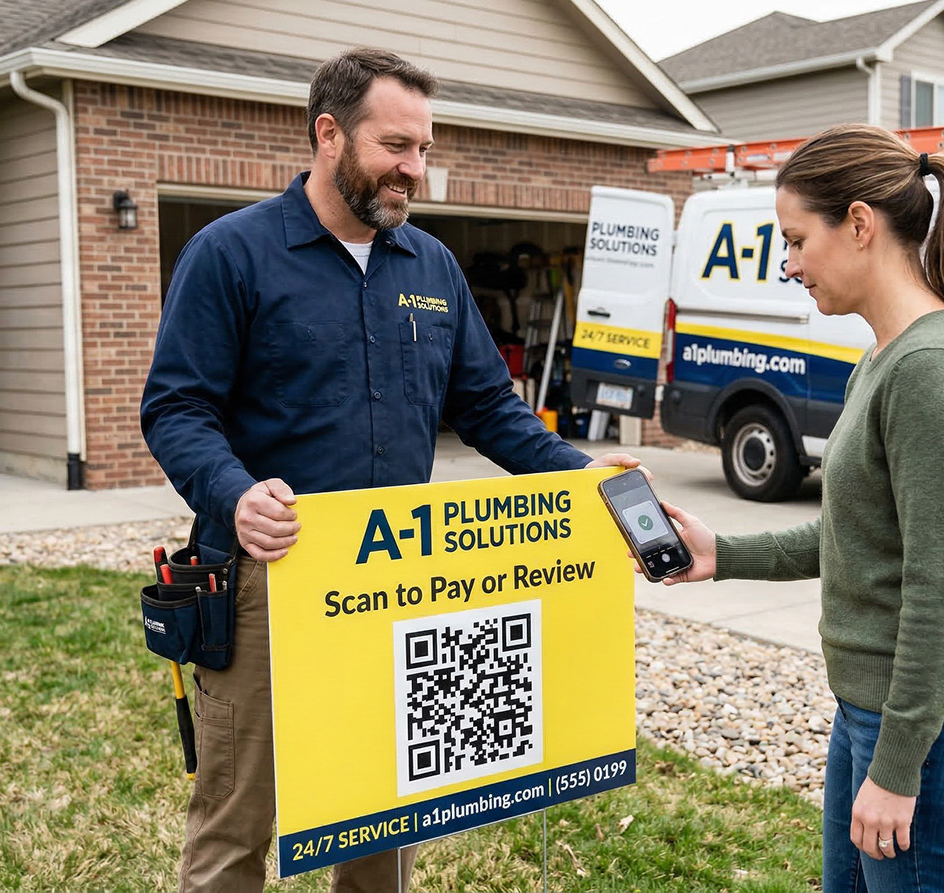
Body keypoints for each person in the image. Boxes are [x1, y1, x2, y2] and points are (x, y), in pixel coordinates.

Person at [141, 47, 643, 893]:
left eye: (425, 150)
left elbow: (490, 410)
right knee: (237, 822)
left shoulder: (432, 266)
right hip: (270, 577)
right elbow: (176, 407)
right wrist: (234, 495)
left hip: (401, 580)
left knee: (384, 807)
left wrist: (589, 477)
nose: (415, 169)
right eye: (396, 146)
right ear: (328, 133)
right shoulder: (231, 255)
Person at [656, 124, 944, 892]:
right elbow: (856, 533)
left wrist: (896, 768)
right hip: (878, 710)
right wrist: (721, 552)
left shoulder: (929, 369)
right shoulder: (888, 352)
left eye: (795, 240)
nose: (788, 264)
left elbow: (942, 590)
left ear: (859, 224)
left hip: (932, 729)